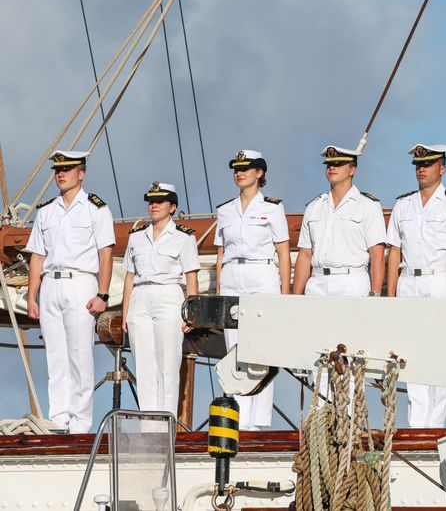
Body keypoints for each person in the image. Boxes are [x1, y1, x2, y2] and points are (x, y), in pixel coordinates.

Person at [25, 150, 115, 433]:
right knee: (56, 356)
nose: (60, 174)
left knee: (79, 355)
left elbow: (106, 253)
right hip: (51, 284)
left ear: (81, 173)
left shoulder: (96, 208)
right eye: (57, 170)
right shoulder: (46, 211)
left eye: (67, 169)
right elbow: (38, 256)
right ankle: (58, 418)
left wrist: (102, 294)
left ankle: (80, 423)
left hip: (81, 283)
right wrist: (31, 296)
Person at [386, 143, 446, 428]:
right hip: (408, 280)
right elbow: (394, 251)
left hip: (437, 279)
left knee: (438, 354)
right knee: (409, 355)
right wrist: (390, 294)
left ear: (442, 169)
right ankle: (416, 425)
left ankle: (434, 427)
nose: (421, 169)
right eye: (418, 165)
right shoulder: (403, 205)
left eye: (428, 164)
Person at [214, 150, 290, 430]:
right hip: (233, 273)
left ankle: (257, 420)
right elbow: (221, 252)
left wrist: (284, 294)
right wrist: (220, 289)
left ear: (259, 173)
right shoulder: (225, 210)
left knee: (262, 346)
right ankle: (238, 414)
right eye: (235, 168)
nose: (239, 172)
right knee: (233, 347)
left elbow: (283, 251)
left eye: (246, 168)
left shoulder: (272, 208)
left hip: (262, 273)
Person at [122, 182, 200, 415]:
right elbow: (128, 276)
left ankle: (167, 422)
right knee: (144, 365)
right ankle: (148, 423)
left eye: (160, 201)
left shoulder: (183, 237)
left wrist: (191, 313)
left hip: (169, 294)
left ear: (172, 207)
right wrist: (126, 312)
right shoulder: (136, 237)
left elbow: (191, 276)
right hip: (140, 295)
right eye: (151, 201)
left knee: (168, 363)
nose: (154, 205)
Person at [293, 145, 386, 299]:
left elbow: (378, 255)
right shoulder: (314, 207)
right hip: (317, 284)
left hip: (352, 283)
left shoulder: (368, 206)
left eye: (338, 164)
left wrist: (375, 294)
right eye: (329, 164)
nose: (332, 168)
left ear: (352, 170)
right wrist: (295, 297)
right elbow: (304, 255)